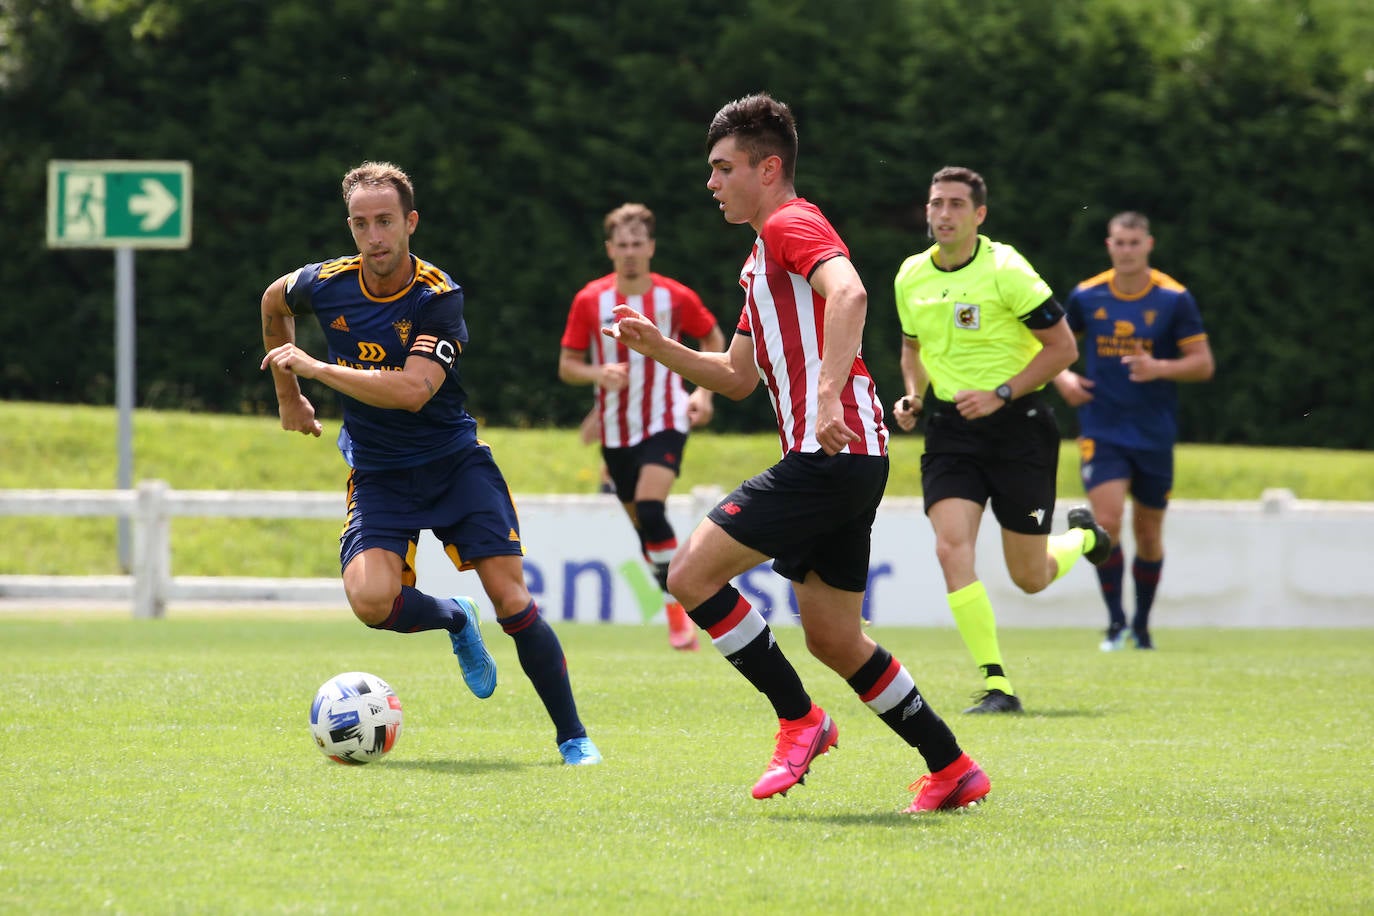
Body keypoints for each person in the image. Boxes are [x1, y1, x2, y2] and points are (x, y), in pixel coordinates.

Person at [607, 93, 989, 813]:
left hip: (830, 453)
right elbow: (736, 377)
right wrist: (660, 348)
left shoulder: (791, 222)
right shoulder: (762, 258)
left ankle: (800, 720)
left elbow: (851, 293)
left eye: (724, 168)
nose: (712, 183)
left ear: (769, 167)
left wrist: (824, 395)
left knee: (689, 574)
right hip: (848, 457)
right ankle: (953, 766)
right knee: (837, 639)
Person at [260, 161, 601, 766]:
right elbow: (272, 301)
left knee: (512, 601)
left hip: (453, 465)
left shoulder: (437, 297)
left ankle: (573, 737)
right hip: (381, 473)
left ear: (410, 222)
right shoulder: (325, 283)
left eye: (386, 221)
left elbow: (414, 389)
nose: (374, 236)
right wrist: (290, 395)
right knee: (370, 602)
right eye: (361, 224)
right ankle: (452, 618)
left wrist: (316, 370)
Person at [891, 166, 1113, 715]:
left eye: (956, 205)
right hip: (949, 432)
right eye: (936, 203)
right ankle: (997, 683)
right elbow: (912, 349)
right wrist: (913, 396)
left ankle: (1084, 540)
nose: (944, 214)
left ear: (979, 215)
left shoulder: (1008, 270)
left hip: (1020, 429)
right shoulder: (910, 276)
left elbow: (1062, 349)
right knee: (950, 547)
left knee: (1030, 577)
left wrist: (1002, 392)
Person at [559, 203, 726, 651]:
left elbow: (713, 338)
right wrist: (599, 375)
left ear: (651, 247)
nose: (630, 253)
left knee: (652, 510)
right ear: (610, 249)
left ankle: (685, 614)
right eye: (622, 245)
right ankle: (676, 607)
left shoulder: (675, 297)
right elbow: (568, 366)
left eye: (638, 244)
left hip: (665, 417)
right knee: (646, 533)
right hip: (615, 432)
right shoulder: (589, 300)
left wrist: (702, 393)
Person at [1054, 211, 1215, 651]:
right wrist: (1064, 379)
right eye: (1118, 243)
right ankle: (1115, 623)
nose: (1126, 250)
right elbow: (1051, 344)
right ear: (1109, 246)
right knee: (1106, 521)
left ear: (1149, 245)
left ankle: (1142, 626)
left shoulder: (1173, 298)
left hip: (1153, 431)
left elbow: (1203, 363)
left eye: (1134, 243)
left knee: (1148, 533)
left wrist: (1159, 367)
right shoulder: (1087, 296)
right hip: (1101, 427)